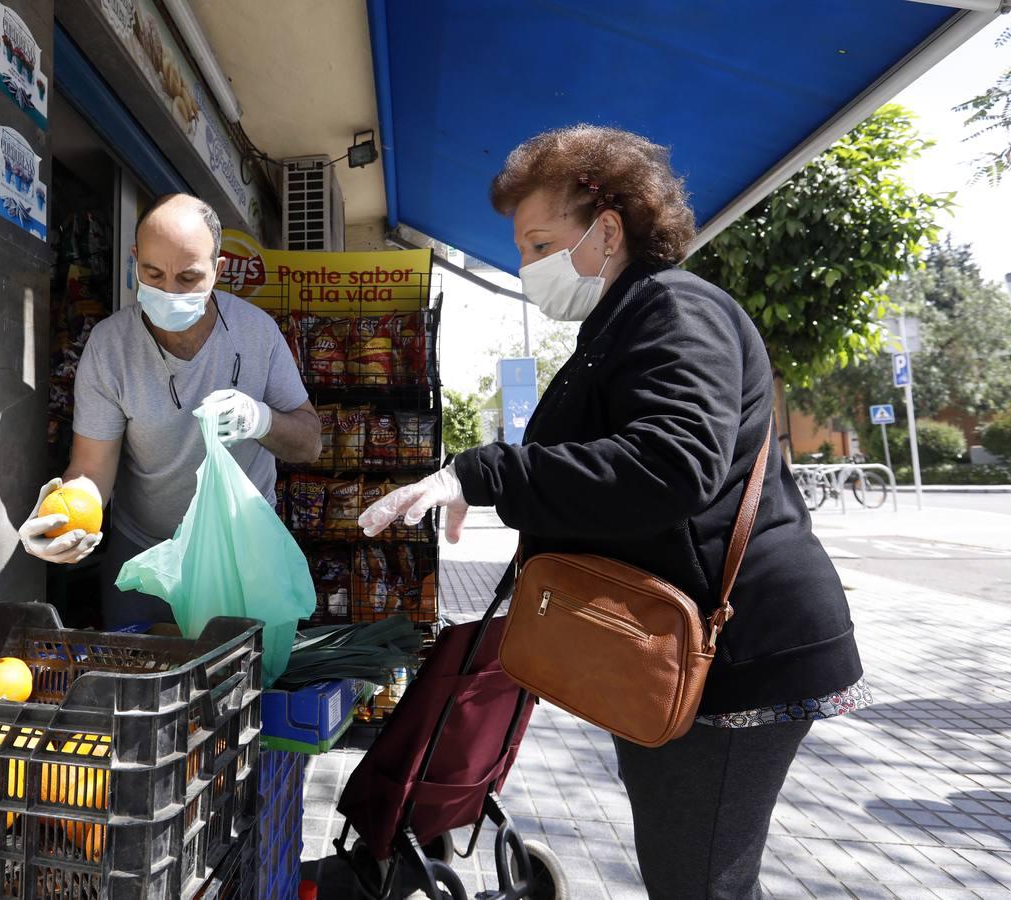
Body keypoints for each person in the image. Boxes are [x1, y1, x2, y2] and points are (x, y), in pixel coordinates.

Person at [359, 126, 869, 899]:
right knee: (690, 873)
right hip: (680, 649)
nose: (526, 267)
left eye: (538, 243)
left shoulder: (674, 307)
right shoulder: (623, 318)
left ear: (606, 227)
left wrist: (484, 473)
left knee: (697, 883)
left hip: (735, 653)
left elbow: (671, 466)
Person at [18, 193, 320, 628]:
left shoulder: (257, 334)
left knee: (239, 683)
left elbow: (310, 442)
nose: (169, 292)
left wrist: (261, 419)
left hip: (244, 553)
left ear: (217, 272)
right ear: (134, 260)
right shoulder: (109, 348)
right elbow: (91, 467)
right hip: (144, 554)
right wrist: (63, 516)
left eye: (188, 277)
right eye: (153, 274)